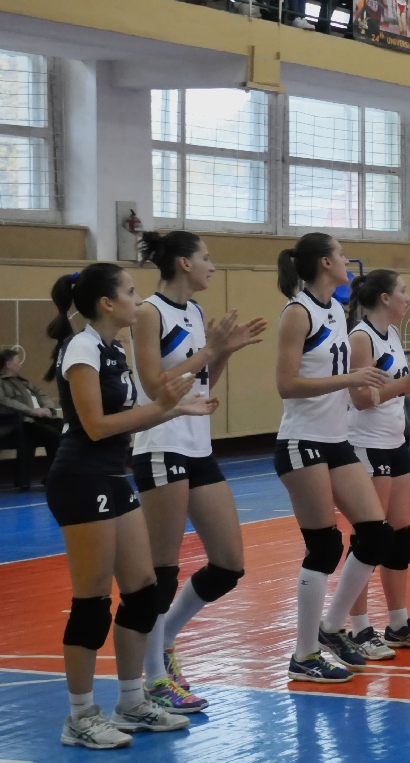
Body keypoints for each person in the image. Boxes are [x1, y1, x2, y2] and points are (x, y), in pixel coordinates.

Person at [44, 263, 215, 749]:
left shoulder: (112, 349)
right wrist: (162, 409)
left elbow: (130, 417)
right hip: (80, 478)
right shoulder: (81, 348)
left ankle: (132, 702)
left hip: (114, 476)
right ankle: (80, 717)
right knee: (93, 603)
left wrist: (174, 407)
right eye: (131, 292)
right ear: (107, 303)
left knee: (142, 591)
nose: (138, 301)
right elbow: (95, 426)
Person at [130, 231, 265, 712]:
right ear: (184, 263)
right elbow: (155, 386)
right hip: (160, 445)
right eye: (206, 257)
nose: (212, 265)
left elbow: (200, 382)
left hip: (198, 446)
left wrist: (223, 353)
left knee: (228, 564)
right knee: (161, 572)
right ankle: (152, 678)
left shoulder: (192, 312)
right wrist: (211, 350)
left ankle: (164, 639)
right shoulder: (150, 312)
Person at [273, 233, 392, 683]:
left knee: (376, 535)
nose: (346, 261)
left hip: (335, 439)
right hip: (301, 441)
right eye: (340, 255)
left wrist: (357, 381)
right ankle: (303, 655)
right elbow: (286, 385)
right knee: (323, 546)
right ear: (325, 263)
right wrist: (349, 379)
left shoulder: (336, 311)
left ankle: (332, 627)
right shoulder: (297, 312)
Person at [343, 270, 410, 655]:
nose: (408, 297)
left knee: (400, 538)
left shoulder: (390, 334)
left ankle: (397, 623)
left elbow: (397, 388)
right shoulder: (361, 337)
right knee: (367, 539)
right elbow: (361, 398)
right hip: (367, 444)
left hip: (395, 443)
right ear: (385, 298)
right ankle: (357, 629)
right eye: (403, 291)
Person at [0, 345, 62, 490]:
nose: (20, 365)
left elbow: (41, 393)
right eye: (17, 362)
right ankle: (57, 477)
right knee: (52, 435)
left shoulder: (23, 382)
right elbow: (5, 402)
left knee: (60, 425)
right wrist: (31, 411)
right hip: (17, 423)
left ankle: (56, 475)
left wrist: (48, 409)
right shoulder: (1, 383)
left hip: (33, 421)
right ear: (8, 364)